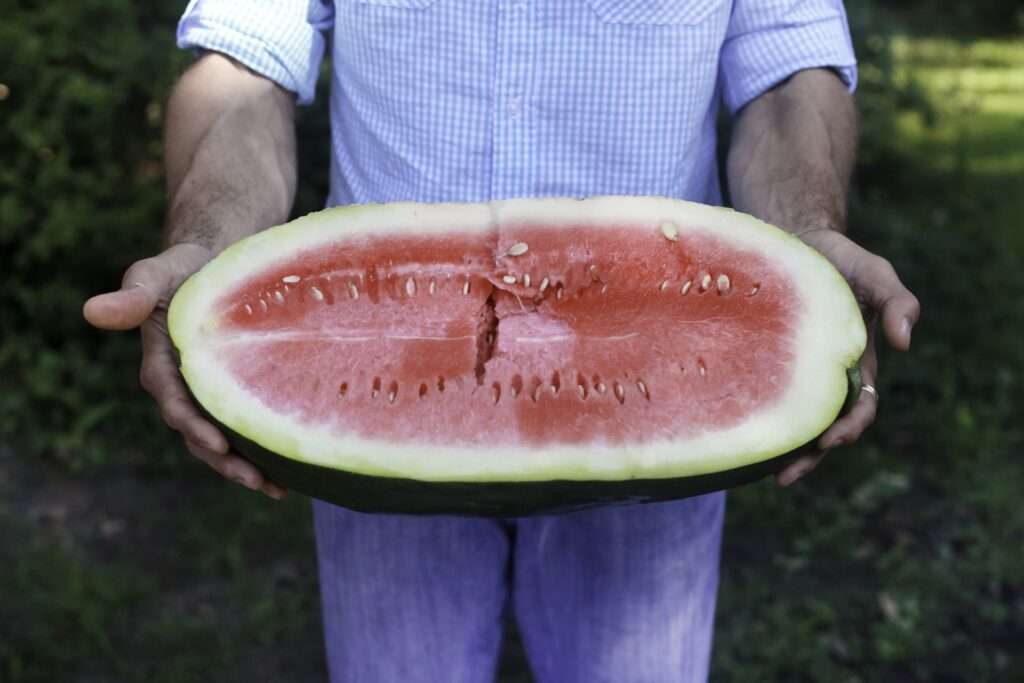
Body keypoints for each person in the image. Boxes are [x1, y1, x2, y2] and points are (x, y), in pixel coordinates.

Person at [84, 1, 920, 681]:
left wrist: (809, 241)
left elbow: (786, 73)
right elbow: (246, 61)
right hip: (377, 386)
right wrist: (205, 248)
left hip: (657, 396)